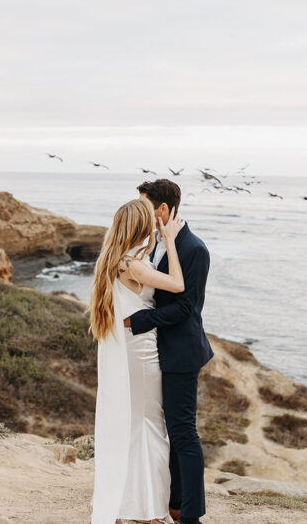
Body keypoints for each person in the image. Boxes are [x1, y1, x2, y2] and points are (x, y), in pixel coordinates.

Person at [90, 197, 185, 524]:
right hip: (141, 352)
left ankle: (128, 506)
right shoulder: (133, 265)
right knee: (151, 426)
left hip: (125, 350)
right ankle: (149, 511)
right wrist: (170, 241)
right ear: (140, 227)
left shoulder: (111, 261)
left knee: (133, 426)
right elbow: (177, 284)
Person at [125, 179, 214, 524]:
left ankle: (190, 515)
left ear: (163, 209)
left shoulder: (194, 249)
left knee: (183, 434)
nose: (141, 213)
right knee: (165, 431)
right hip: (153, 353)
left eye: (145, 206)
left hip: (181, 353)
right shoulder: (151, 245)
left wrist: (140, 320)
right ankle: (173, 503)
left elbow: (186, 308)